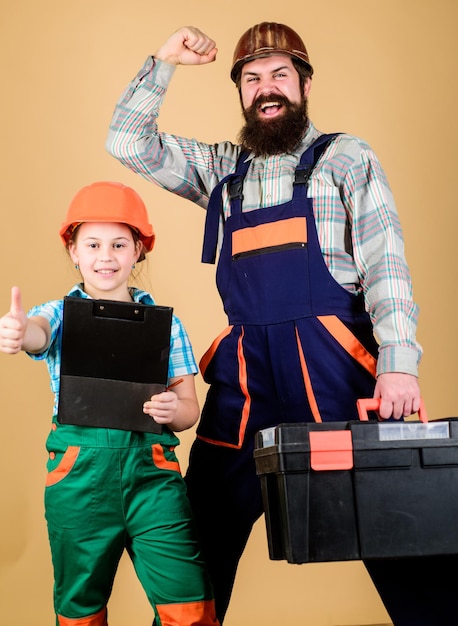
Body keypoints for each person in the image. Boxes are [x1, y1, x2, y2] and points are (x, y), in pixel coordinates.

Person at [105, 24, 457, 626]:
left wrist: (399, 365)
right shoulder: (220, 169)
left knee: (397, 530)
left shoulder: (347, 157)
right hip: (246, 382)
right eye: (251, 78)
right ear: (240, 93)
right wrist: (165, 62)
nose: (266, 89)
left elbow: (385, 262)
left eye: (279, 75)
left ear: (305, 83)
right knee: (203, 536)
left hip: (336, 371)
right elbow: (129, 143)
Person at [0, 181, 220, 626]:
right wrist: (23, 333)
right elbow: (40, 332)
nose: (106, 256)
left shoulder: (167, 326)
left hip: (152, 478)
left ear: (138, 250)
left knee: (188, 602)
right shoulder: (60, 314)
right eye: (93, 244)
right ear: (74, 251)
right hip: (78, 480)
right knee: (80, 607)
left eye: (119, 244)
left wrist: (172, 412)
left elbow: (189, 408)